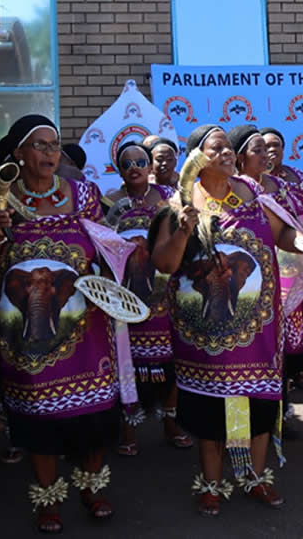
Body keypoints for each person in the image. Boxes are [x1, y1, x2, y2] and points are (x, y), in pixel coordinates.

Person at [0, 115, 133, 533]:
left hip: (87, 330)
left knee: (92, 418)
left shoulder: (83, 194)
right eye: (39, 145)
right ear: (19, 155)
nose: (49, 153)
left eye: (54, 145)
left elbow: (107, 248)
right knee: (39, 418)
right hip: (26, 336)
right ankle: (48, 496)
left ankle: (92, 488)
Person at [150, 124, 303, 516]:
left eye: (228, 148)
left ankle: (254, 478)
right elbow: (165, 263)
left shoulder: (251, 194)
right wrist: (184, 230)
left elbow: (281, 233)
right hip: (206, 335)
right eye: (216, 147)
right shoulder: (181, 202)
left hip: (255, 332)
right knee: (211, 412)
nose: (226, 153)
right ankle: (212, 484)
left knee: (251, 409)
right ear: (196, 158)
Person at [103, 141, 192, 454]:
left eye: (140, 160)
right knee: (125, 362)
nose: (134, 167)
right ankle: (128, 427)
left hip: (165, 291)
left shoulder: (171, 198)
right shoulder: (109, 201)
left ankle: (171, 422)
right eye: (127, 164)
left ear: (151, 165)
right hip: (124, 293)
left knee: (170, 362)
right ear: (119, 170)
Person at [228, 125, 303, 394]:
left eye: (268, 149)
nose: (266, 155)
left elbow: (292, 222)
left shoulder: (279, 185)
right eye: (258, 150)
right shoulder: (227, 188)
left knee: (281, 332)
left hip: (282, 270)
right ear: (240, 156)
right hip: (245, 276)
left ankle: (280, 401)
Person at [260, 127, 303, 214]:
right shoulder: (256, 179)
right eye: (267, 147)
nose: (272, 149)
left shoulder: (298, 175)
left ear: (282, 149)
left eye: (276, 145)